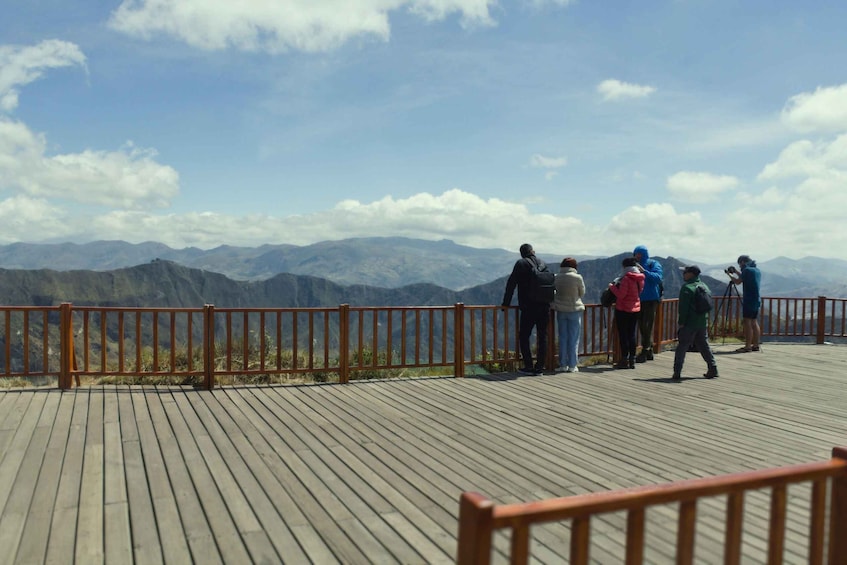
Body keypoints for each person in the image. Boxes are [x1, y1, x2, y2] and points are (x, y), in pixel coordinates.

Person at [502, 243, 551, 374]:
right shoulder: (543, 263)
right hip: (545, 306)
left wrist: (505, 303)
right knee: (543, 336)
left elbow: (511, 284)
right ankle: (540, 367)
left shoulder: (521, 264)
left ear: (522, 253)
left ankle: (528, 366)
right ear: (532, 251)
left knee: (524, 336)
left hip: (528, 307)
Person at [672, 266, 719, 380]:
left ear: (691, 274)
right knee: (703, 345)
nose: (683, 274)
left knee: (682, 346)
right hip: (702, 322)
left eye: (685, 272)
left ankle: (677, 372)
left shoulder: (687, 288)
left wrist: (681, 322)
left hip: (689, 323)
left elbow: (683, 308)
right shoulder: (705, 286)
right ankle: (713, 368)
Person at [609, 257, 644, 369]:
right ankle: (632, 359)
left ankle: (624, 359)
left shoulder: (626, 278)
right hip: (635, 309)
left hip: (623, 309)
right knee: (631, 334)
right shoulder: (640, 278)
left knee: (623, 335)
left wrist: (612, 287)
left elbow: (621, 295)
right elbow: (639, 292)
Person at [552, 257, 585, 373]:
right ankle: (572, 365)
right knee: (573, 338)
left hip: (561, 310)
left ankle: (563, 365)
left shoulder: (557, 277)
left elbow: (554, 291)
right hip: (574, 310)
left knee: (563, 338)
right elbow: (582, 292)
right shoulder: (578, 278)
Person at [632, 245, 663, 362]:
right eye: (636, 254)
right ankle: (648, 350)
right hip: (638, 299)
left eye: (639, 254)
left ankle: (645, 351)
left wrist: (644, 272)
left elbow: (658, 278)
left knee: (647, 325)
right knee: (641, 325)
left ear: (644, 254)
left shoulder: (653, 264)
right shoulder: (633, 265)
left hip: (651, 299)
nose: (637, 256)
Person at [729, 254, 762, 352]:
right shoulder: (756, 270)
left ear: (743, 262)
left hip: (749, 300)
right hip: (756, 299)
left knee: (747, 322)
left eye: (740, 264)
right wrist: (736, 272)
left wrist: (729, 274)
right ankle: (756, 345)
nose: (740, 266)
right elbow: (744, 277)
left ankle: (747, 346)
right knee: (754, 322)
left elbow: (738, 281)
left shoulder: (746, 270)